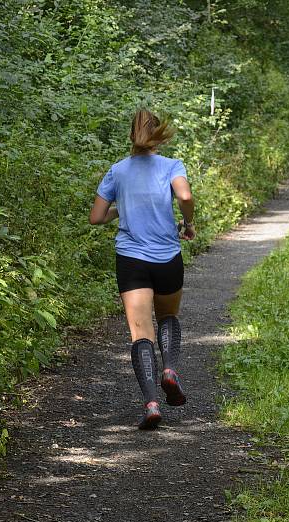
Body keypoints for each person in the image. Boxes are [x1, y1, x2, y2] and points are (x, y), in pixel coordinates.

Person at [88, 109, 196, 430]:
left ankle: (151, 403)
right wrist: (188, 221)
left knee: (140, 333)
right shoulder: (172, 166)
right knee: (167, 317)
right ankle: (169, 371)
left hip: (131, 260)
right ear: (157, 135)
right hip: (167, 258)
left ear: (130, 136)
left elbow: (96, 217)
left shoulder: (117, 171)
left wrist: (123, 209)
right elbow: (185, 195)